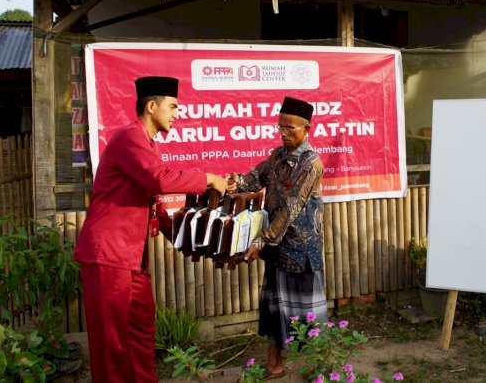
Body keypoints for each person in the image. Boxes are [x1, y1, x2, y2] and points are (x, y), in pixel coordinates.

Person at [74, 76, 228, 382]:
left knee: (142, 333)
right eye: (173, 107)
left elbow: (155, 207)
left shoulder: (147, 144)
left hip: (133, 259)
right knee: (111, 345)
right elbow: (160, 180)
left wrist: (194, 241)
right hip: (108, 256)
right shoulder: (130, 138)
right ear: (151, 106)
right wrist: (208, 177)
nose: (177, 114)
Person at [227, 96, 327, 380]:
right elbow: (254, 178)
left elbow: (291, 208)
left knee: (308, 314)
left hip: (300, 248)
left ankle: (327, 367)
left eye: (290, 128)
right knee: (274, 309)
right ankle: (275, 364)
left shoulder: (311, 163)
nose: (283, 133)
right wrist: (232, 183)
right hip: (275, 246)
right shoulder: (277, 155)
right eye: (280, 127)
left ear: (307, 129)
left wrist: (261, 241)